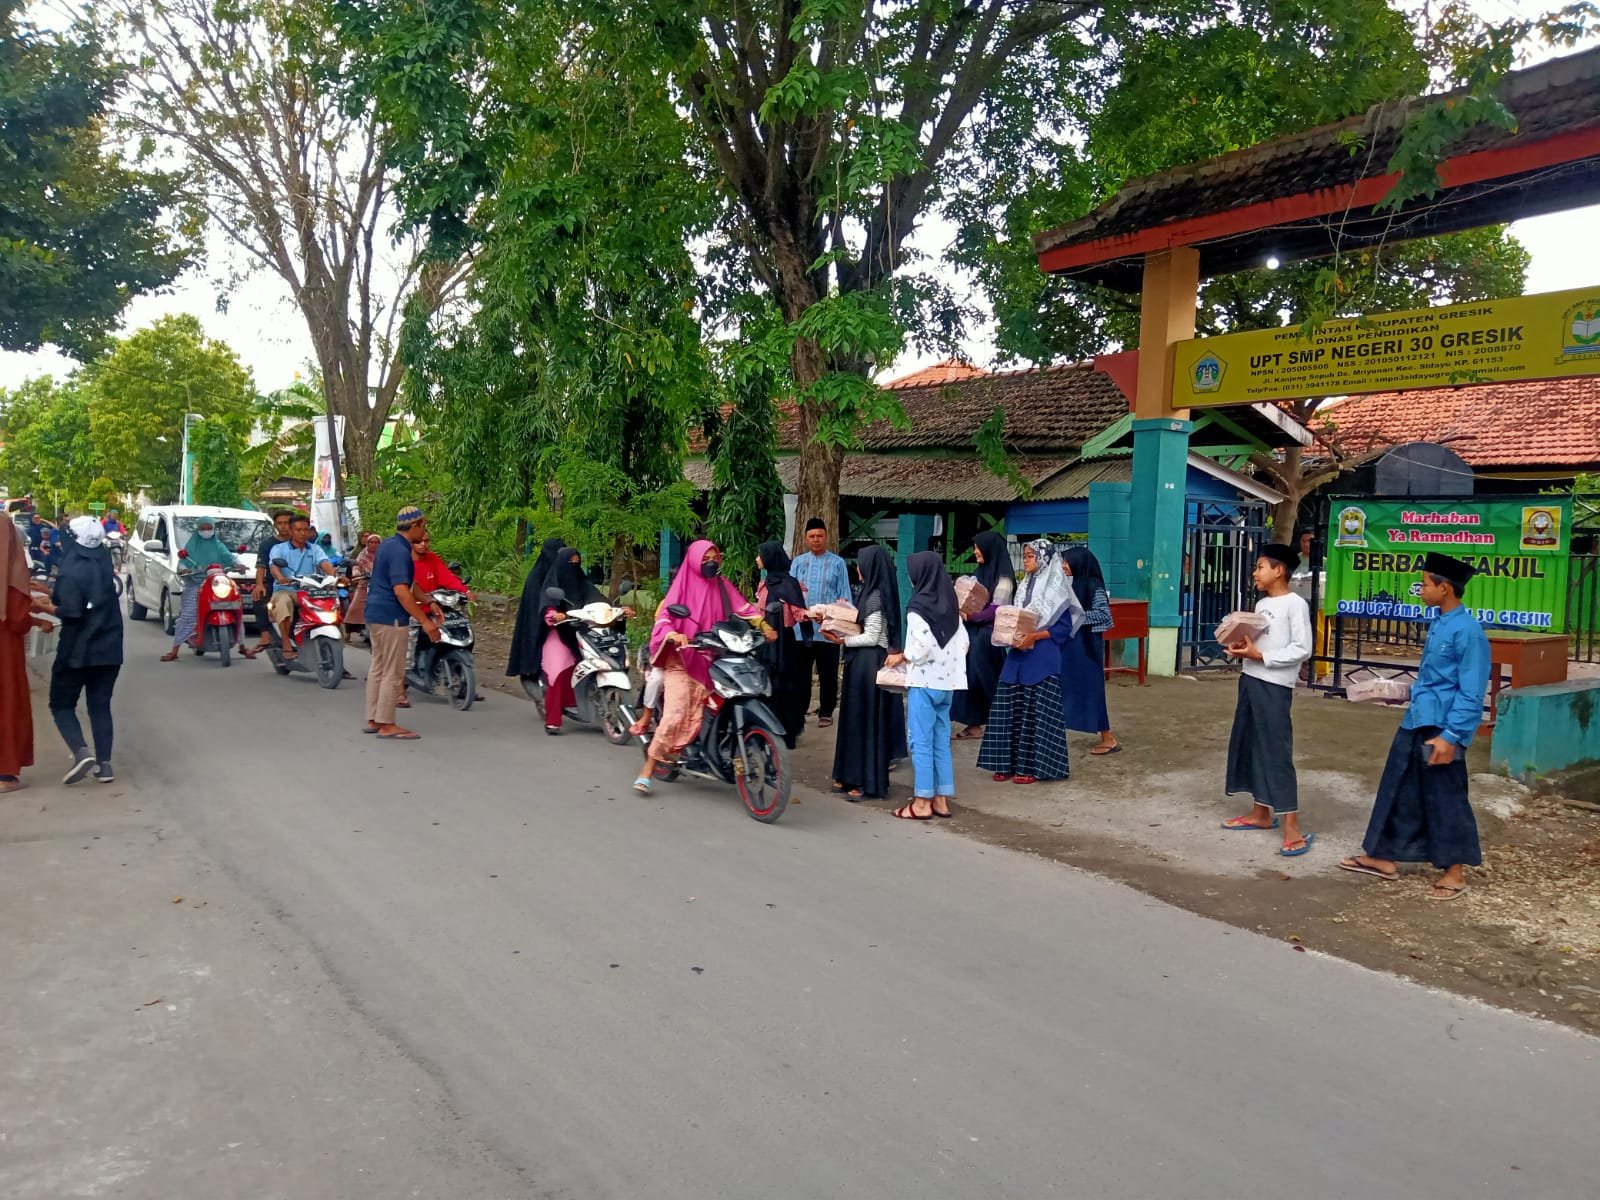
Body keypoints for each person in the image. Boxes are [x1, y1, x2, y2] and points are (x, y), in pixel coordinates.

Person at [1340, 552, 1489, 900]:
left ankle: (1455, 872)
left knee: (1446, 796)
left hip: (1442, 727)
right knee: (1399, 786)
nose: (1419, 590)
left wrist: (1451, 736)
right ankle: (1382, 856)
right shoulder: (1439, 623)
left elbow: (1471, 691)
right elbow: (1435, 680)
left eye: (1424, 584)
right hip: (1418, 718)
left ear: (1445, 588)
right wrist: (1400, 692)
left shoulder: (1468, 632)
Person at [634, 539, 772, 793]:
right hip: (683, 659)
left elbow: (743, 608)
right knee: (676, 714)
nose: (711, 563)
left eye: (714, 558)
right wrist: (672, 634)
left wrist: (763, 625)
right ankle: (648, 768)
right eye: (705, 559)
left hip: (715, 658)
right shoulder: (681, 588)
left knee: (720, 706)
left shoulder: (722, 585)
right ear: (694, 561)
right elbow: (664, 617)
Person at [1220, 543, 1314, 855]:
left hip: (1274, 686)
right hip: (1250, 680)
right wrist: (1240, 647)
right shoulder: (1261, 605)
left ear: (1279, 570)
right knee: (1251, 743)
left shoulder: (1295, 604)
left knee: (1275, 750)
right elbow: (1256, 643)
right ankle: (1260, 813)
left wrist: (1261, 656)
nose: (1255, 573)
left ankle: (1291, 826)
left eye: (1260, 567)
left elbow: (1303, 648)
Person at [976, 539, 1080, 785]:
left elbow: (1063, 629)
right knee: (1008, 708)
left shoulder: (1057, 590)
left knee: (1036, 714)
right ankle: (1006, 764)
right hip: (1018, 655)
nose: (1025, 560)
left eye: (1031, 556)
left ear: (1044, 558)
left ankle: (1033, 767)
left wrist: (1034, 636)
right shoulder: (1023, 586)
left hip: (1042, 657)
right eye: (1024, 556)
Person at [886, 551, 968, 819]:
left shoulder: (918, 607)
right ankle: (941, 799)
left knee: (920, 742)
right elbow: (964, 644)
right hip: (948, 685)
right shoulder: (951, 607)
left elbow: (921, 647)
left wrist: (902, 656)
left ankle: (922, 802)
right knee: (940, 741)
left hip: (923, 683)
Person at [43, 517, 123, 783]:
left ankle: (81, 752)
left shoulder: (70, 569)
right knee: (100, 706)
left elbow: (71, 611)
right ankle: (105, 766)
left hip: (77, 651)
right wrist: (49, 592)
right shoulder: (104, 563)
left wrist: (43, 606)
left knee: (61, 704)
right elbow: (87, 597)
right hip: (109, 648)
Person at [829, 543, 904, 800]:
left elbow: (872, 637)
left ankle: (863, 780)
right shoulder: (870, 592)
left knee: (863, 722)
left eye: (861, 564)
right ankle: (848, 774)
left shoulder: (875, 597)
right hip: (862, 663)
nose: (858, 569)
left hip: (868, 663)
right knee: (855, 720)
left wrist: (843, 640)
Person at [362, 507, 439, 739]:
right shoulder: (400, 551)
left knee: (378, 667)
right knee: (393, 671)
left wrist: (429, 601)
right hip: (391, 617)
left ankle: (374, 718)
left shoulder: (388, 545)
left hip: (375, 614)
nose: (424, 532)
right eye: (423, 526)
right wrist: (425, 621)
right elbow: (401, 590)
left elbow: (409, 583)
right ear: (415, 526)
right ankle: (387, 724)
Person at [404, 530, 480, 705]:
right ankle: (400, 688)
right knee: (409, 643)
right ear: (411, 543)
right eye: (418, 541)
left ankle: (462, 678)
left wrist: (465, 591)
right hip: (413, 610)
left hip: (436, 608)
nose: (423, 545)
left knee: (460, 627)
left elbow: (447, 578)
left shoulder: (433, 559)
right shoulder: (405, 562)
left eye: (426, 541)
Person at [952, 531, 1014, 740]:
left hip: (989, 637)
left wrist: (970, 617)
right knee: (970, 678)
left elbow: (998, 609)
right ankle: (974, 724)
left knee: (987, 679)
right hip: (973, 634)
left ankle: (1003, 723)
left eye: (978, 547)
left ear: (989, 548)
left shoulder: (1004, 578)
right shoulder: (979, 573)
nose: (975, 551)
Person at [790, 517, 851, 729]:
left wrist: (830, 615)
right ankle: (799, 711)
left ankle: (826, 712)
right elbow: (790, 595)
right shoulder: (798, 563)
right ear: (806, 538)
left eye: (819, 536)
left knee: (828, 674)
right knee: (801, 674)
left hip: (828, 630)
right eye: (812, 536)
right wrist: (802, 613)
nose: (816, 540)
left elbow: (844, 596)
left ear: (826, 537)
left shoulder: (838, 563)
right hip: (802, 629)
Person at [1060, 546, 1120, 756]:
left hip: (1087, 647)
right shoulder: (1075, 583)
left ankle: (1108, 738)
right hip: (1075, 645)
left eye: (1067, 561)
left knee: (1092, 691)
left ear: (1078, 562)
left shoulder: (1093, 585)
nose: (1063, 566)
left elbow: (1104, 615)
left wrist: (1075, 617)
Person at [0, 518, 43, 792]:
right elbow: (17, 618)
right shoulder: (11, 575)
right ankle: (5, 774)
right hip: (4, 647)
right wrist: (37, 617)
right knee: (7, 704)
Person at [160, 515, 240, 662]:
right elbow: (183, 562)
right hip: (196, 583)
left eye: (209, 528)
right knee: (188, 614)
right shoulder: (191, 547)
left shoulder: (218, 545)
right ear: (198, 530)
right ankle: (174, 650)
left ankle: (242, 646)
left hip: (216, 583)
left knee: (235, 607)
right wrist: (184, 569)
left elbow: (229, 557)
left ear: (213, 529)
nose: (206, 531)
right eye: (202, 528)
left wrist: (239, 565)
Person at [756, 540, 810, 749]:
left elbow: (799, 612)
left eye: (760, 555)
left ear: (770, 558)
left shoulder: (789, 584)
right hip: (765, 641)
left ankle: (787, 732)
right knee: (766, 686)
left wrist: (813, 615)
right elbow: (758, 612)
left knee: (785, 688)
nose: (757, 559)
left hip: (785, 645)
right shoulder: (764, 583)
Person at [267, 514, 339, 662]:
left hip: (310, 590)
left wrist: (335, 576)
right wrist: (281, 578)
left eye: (305, 530)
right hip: (287, 590)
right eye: (298, 530)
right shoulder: (278, 549)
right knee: (283, 603)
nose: (303, 533)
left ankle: (336, 649)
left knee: (333, 606)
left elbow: (325, 563)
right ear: (291, 531)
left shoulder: (315, 549)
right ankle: (286, 642)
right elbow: (274, 566)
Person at [505, 537, 568, 684]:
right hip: (540, 618)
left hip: (562, 619)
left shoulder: (562, 572)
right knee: (536, 639)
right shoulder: (537, 576)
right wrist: (547, 612)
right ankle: (532, 671)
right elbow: (535, 604)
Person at [251, 510, 294, 655]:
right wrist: (259, 585)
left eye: (287, 523)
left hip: (302, 583)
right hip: (275, 583)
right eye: (280, 523)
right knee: (259, 597)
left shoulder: (302, 542)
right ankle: (265, 635)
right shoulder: (267, 544)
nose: (283, 526)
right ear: (275, 525)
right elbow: (261, 566)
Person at [343, 532, 381, 643]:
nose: (374, 545)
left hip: (380, 586)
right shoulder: (362, 554)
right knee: (354, 608)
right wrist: (356, 573)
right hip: (364, 584)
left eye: (376, 542)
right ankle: (348, 633)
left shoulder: (383, 554)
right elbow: (356, 566)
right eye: (371, 542)